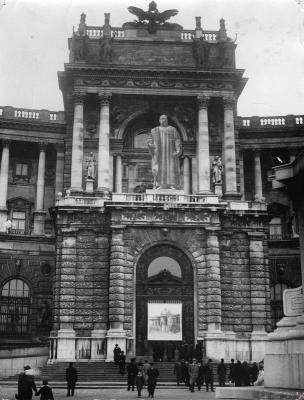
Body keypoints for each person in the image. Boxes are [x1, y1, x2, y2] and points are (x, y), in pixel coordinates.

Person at [147, 114, 182, 190]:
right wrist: (149, 144)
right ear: (159, 120)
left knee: (171, 167)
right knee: (160, 167)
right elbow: (151, 143)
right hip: (159, 153)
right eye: (162, 119)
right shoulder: (154, 130)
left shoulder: (173, 129)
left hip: (170, 152)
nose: (164, 120)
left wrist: (178, 149)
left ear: (167, 120)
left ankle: (172, 184)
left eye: (165, 119)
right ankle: (161, 184)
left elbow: (177, 140)